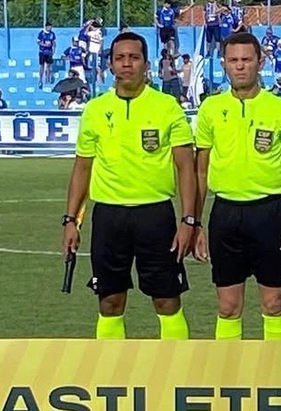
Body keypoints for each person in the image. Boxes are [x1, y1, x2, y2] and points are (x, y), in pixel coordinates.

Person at [62, 32, 198, 340]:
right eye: (120, 58)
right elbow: (82, 168)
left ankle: (176, 374)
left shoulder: (167, 107)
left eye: (134, 58)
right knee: (110, 301)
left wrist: (188, 220)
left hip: (156, 216)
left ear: (146, 64)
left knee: (167, 299)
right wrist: (71, 220)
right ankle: (113, 377)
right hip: (109, 217)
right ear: (110, 64)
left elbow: (185, 167)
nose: (127, 64)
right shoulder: (95, 110)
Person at [193, 32, 281, 341]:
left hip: (268, 214)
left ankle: (277, 375)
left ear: (260, 62)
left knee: (273, 304)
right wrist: (194, 222)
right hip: (225, 214)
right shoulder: (211, 109)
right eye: (233, 60)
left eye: (246, 59)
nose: (240, 66)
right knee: (228, 307)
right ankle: (230, 376)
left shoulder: (279, 108)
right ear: (224, 64)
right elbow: (200, 170)